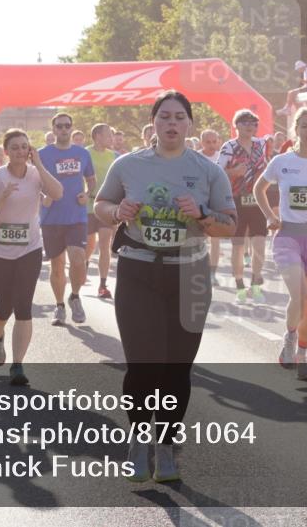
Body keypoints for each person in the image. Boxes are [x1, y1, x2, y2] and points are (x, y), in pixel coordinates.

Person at [94, 90, 236, 483]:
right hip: (139, 270)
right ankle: (139, 441)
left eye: (179, 117)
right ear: (153, 123)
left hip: (189, 272)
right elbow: (101, 206)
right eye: (164, 117)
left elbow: (230, 224)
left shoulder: (209, 171)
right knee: (143, 364)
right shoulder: (128, 165)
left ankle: (168, 442)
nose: (171, 123)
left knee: (177, 368)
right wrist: (116, 212)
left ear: (189, 124)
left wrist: (203, 214)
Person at [253, 108, 307, 380]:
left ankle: (301, 355)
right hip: (288, 237)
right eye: (305, 126)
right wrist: (270, 216)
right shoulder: (282, 162)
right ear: (295, 130)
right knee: (301, 295)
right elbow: (258, 188)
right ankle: (289, 337)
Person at [0, 129, 63, 386]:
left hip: (29, 248)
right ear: (6, 151)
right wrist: (1, 198)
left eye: (24, 147)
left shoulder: (35, 174)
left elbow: (58, 193)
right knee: (4, 307)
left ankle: (17, 365)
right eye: (15, 147)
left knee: (23, 307)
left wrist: (39, 164)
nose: (20, 151)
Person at [38, 113, 96, 325]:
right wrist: (43, 197)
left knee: (78, 258)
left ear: (72, 128)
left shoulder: (82, 153)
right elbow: (34, 181)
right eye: (59, 126)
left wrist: (88, 193)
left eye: (67, 126)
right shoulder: (43, 154)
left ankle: (75, 296)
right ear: (53, 129)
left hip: (76, 216)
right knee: (57, 266)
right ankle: (59, 305)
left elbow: (91, 179)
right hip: (52, 218)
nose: (63, 129)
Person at [218, 109, 270, 303]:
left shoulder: (259, 145)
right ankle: (240, 286)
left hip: (256, 199)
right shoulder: (229, 147)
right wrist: (233, 172)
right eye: (246, 123)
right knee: (238, 246)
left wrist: (262, 176)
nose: (250, 127)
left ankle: (255, 285)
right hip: (236, 200)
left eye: (254, 123)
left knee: (260, 244)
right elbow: (217, 173)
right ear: (236, 125)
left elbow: (265, 167)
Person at [85, 123, 117, 299]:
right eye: (108, 135)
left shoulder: (113, 156)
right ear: (97, 136)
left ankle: (103, 285)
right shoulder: (85, 153)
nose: (111, 139)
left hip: (106, 205)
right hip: (88, 206)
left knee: (105, 243)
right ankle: (84, 264)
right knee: (90, 244)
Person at [199, 129, 223, 284]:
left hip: (216, 203)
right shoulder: (195, 157)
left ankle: (212, 273)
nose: (212, 145)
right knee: (200, 239)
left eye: (214, 141)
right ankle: (200, 271)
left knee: (215, 239)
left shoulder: (222, 158)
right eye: (208, 142)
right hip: (200, 203)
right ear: (202, 143)